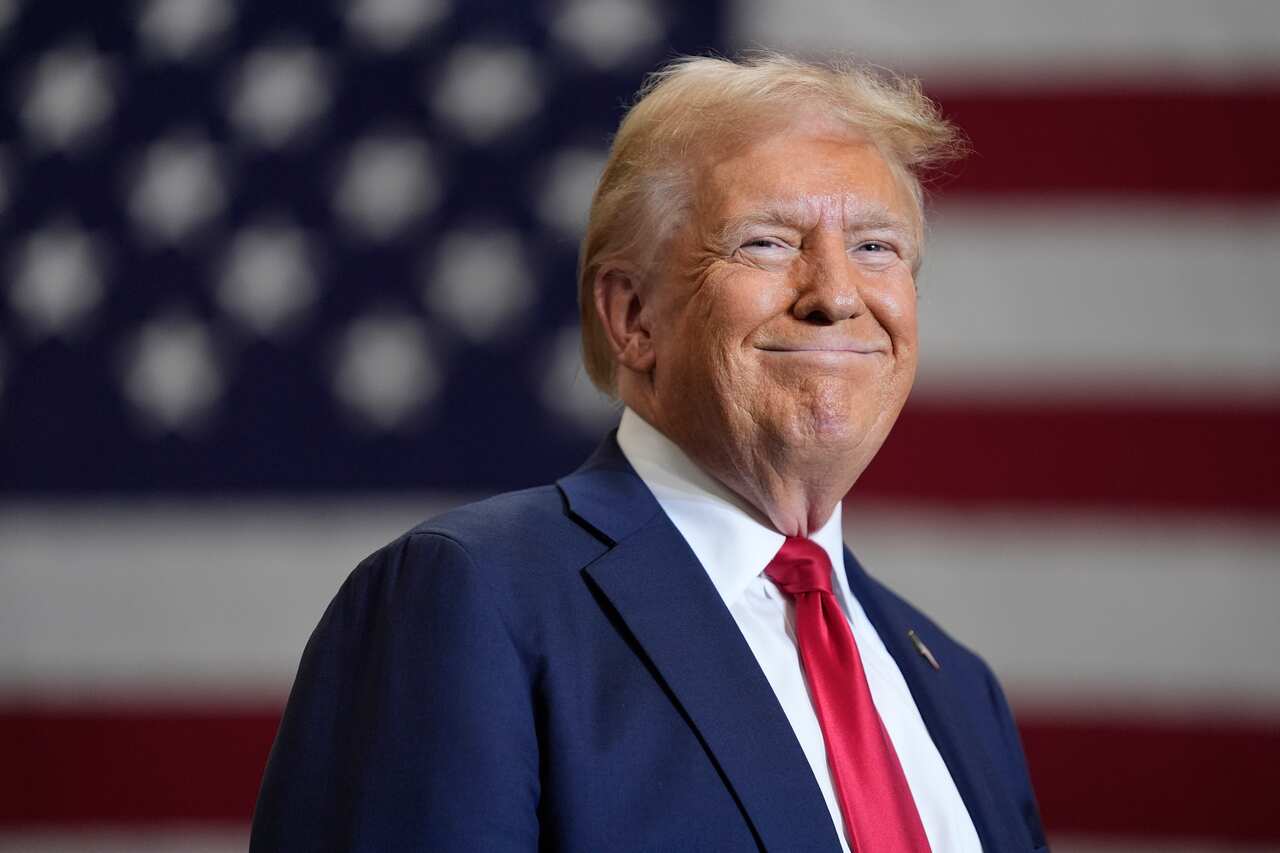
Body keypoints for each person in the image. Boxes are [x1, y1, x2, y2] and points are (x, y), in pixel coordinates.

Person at [250, 53, 1047, 852]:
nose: (836, 294)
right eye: (767, 242)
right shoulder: (469, 599)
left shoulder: (957, 686)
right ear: (633, 317)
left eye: (877, 247)